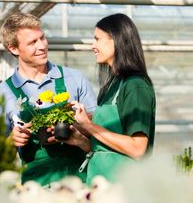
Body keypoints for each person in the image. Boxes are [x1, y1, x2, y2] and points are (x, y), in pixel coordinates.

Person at [0, 12, 97, 186]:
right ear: (13, 48)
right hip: (35, 188)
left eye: (42, 38)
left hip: (80, 182)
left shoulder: (75, 79)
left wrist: (78, 129)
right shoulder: (1, 94)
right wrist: (10, 141)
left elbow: (99, 131)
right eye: (32, 42)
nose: (42, 46)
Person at [65, 13, 156, 185]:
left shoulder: (135, 86)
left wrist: (89, 126)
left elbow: (137, 148)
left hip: (123, 187)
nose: (93, 46)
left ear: (116, 39)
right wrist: (79, 138)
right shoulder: (113, 85)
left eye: (97, 39)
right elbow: (106, 148)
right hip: (101, 184)